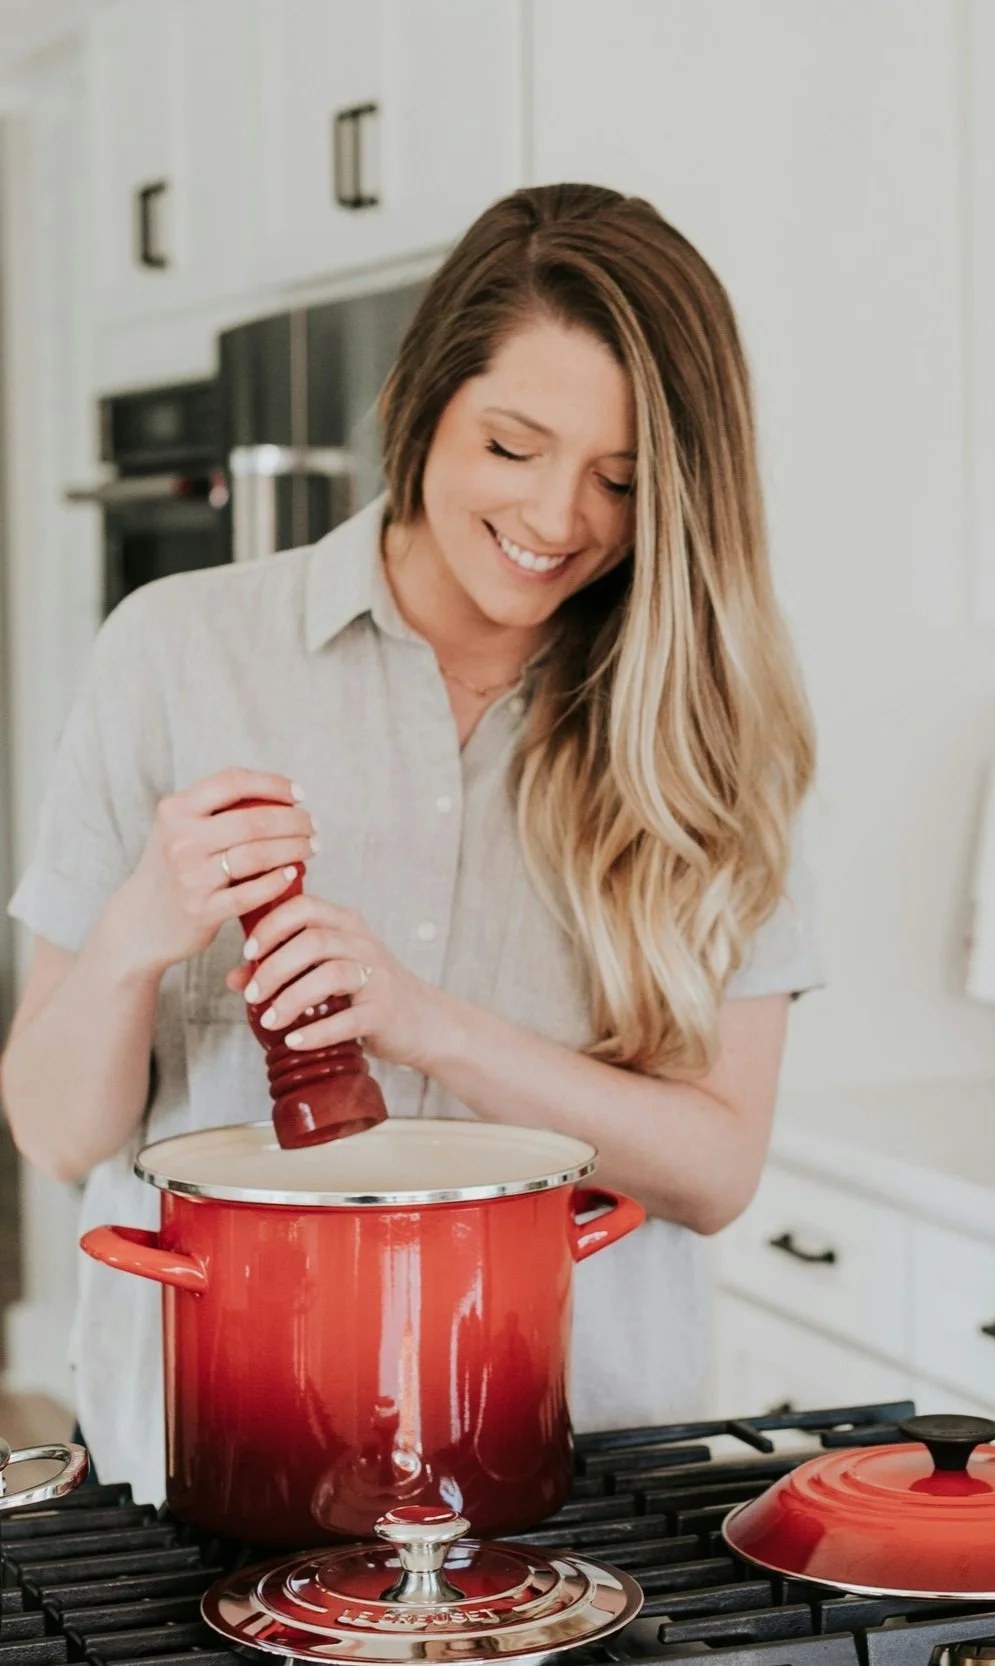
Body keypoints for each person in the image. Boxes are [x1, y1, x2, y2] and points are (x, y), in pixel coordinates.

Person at [0, 183, 820, 1504]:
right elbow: (49, 1127)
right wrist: (136, 933)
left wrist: (422, 1021)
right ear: (424, 403)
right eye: (513, 444)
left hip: (578, 1485)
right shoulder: (177, 650)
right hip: (220, 1470)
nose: (560, 516)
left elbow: (717, 1169)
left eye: (620, 479)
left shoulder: (708, 730)